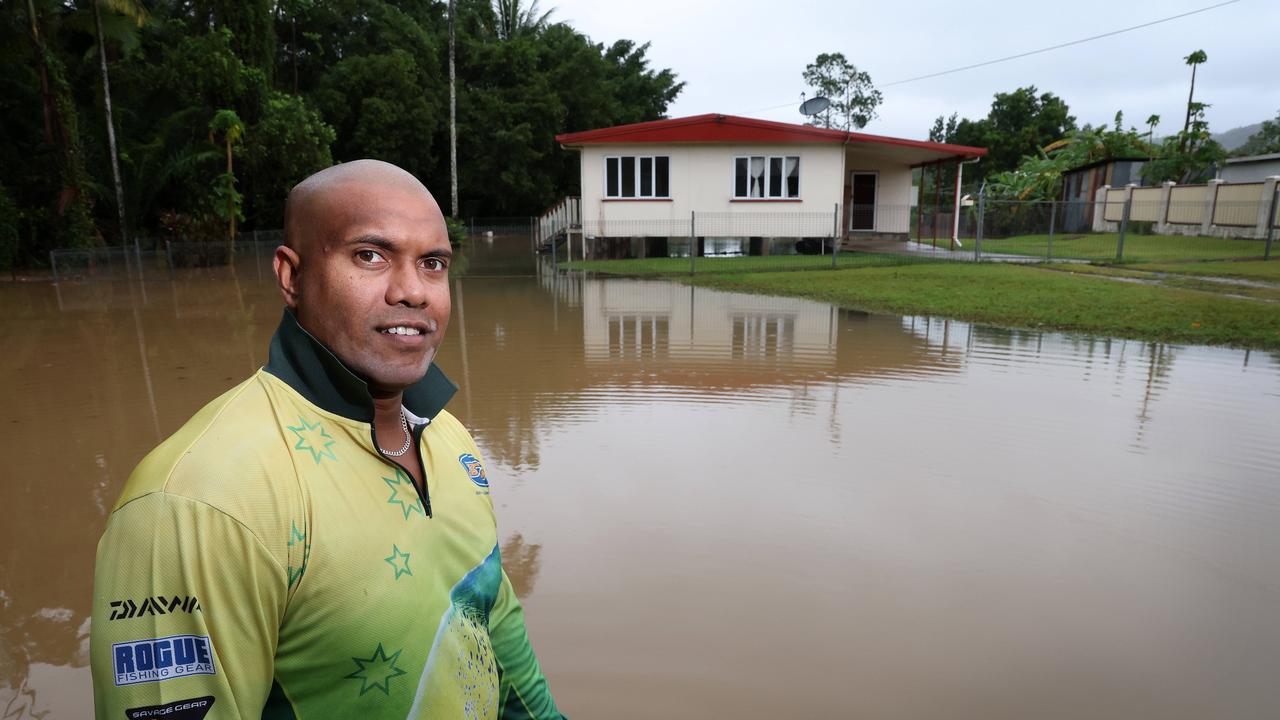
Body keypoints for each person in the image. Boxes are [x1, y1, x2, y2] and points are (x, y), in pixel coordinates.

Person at [90, 160, 564, 719]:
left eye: (432, 264)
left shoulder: (450, 439)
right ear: (292, 277)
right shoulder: (198, 500)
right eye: (371, 255)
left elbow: (499, 642)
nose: (413, 291)